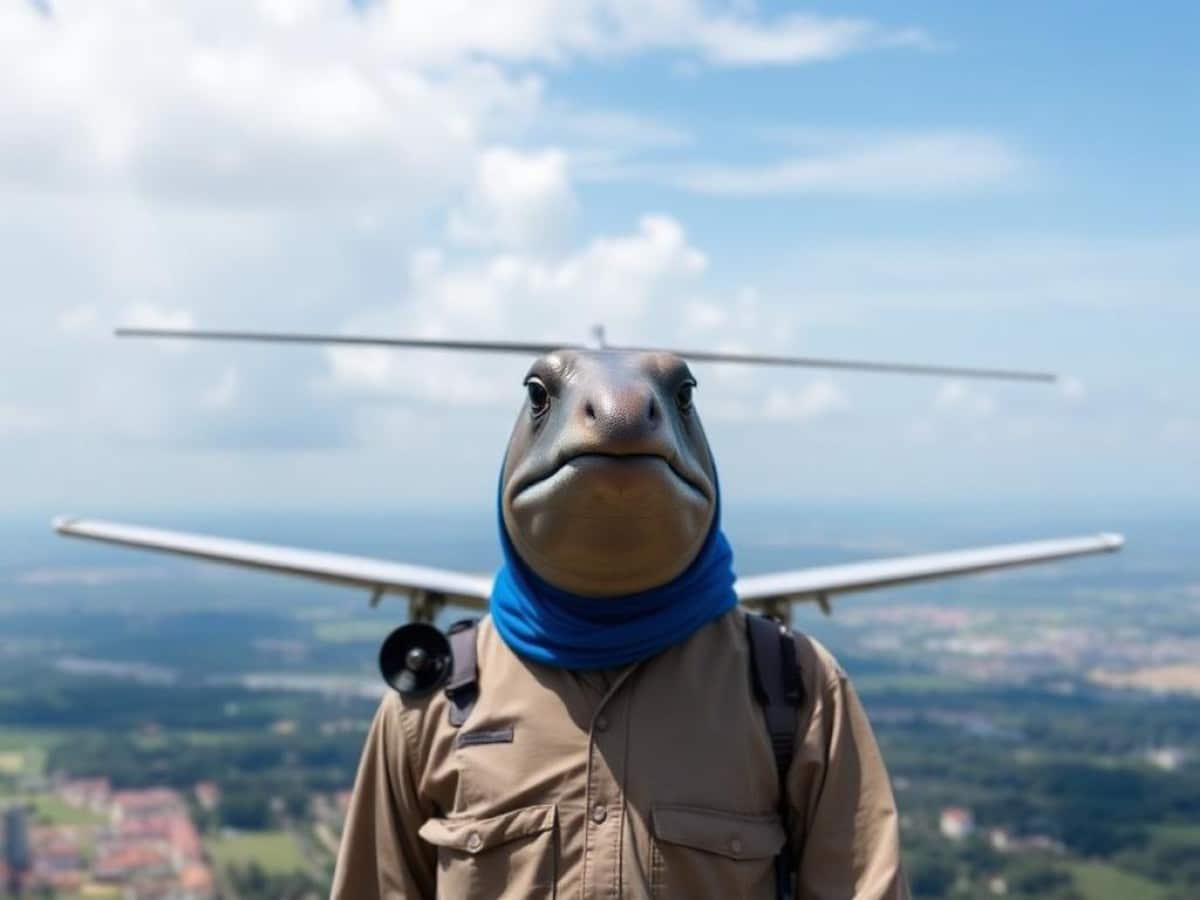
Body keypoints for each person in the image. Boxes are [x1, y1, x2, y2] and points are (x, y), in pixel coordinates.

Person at [331, 349, 908, 899]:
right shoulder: (430, 708)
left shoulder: (796, 689)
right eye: (541, 399)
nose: (617, 415)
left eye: (679, 400)